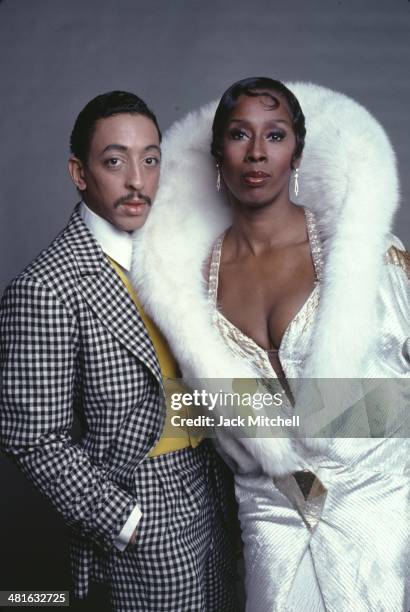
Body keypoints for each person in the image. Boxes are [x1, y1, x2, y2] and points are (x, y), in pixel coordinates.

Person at [129, 78, 410, 611]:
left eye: (275, 135)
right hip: (270, 511)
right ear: (217, 154)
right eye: (239, 134)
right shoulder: (188, 287)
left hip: (376, 505)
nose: (256, 152)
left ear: (297, 153)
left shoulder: (364, 257)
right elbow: (196, 408)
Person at [0, 90, 237, 612]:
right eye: (114, 161)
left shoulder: (174, 252)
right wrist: (125, 522)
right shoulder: (46, 287)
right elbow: (32, 438)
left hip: (214, 485)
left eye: (150, 159)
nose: (137, 180)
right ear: (79, 172)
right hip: (139, 502)